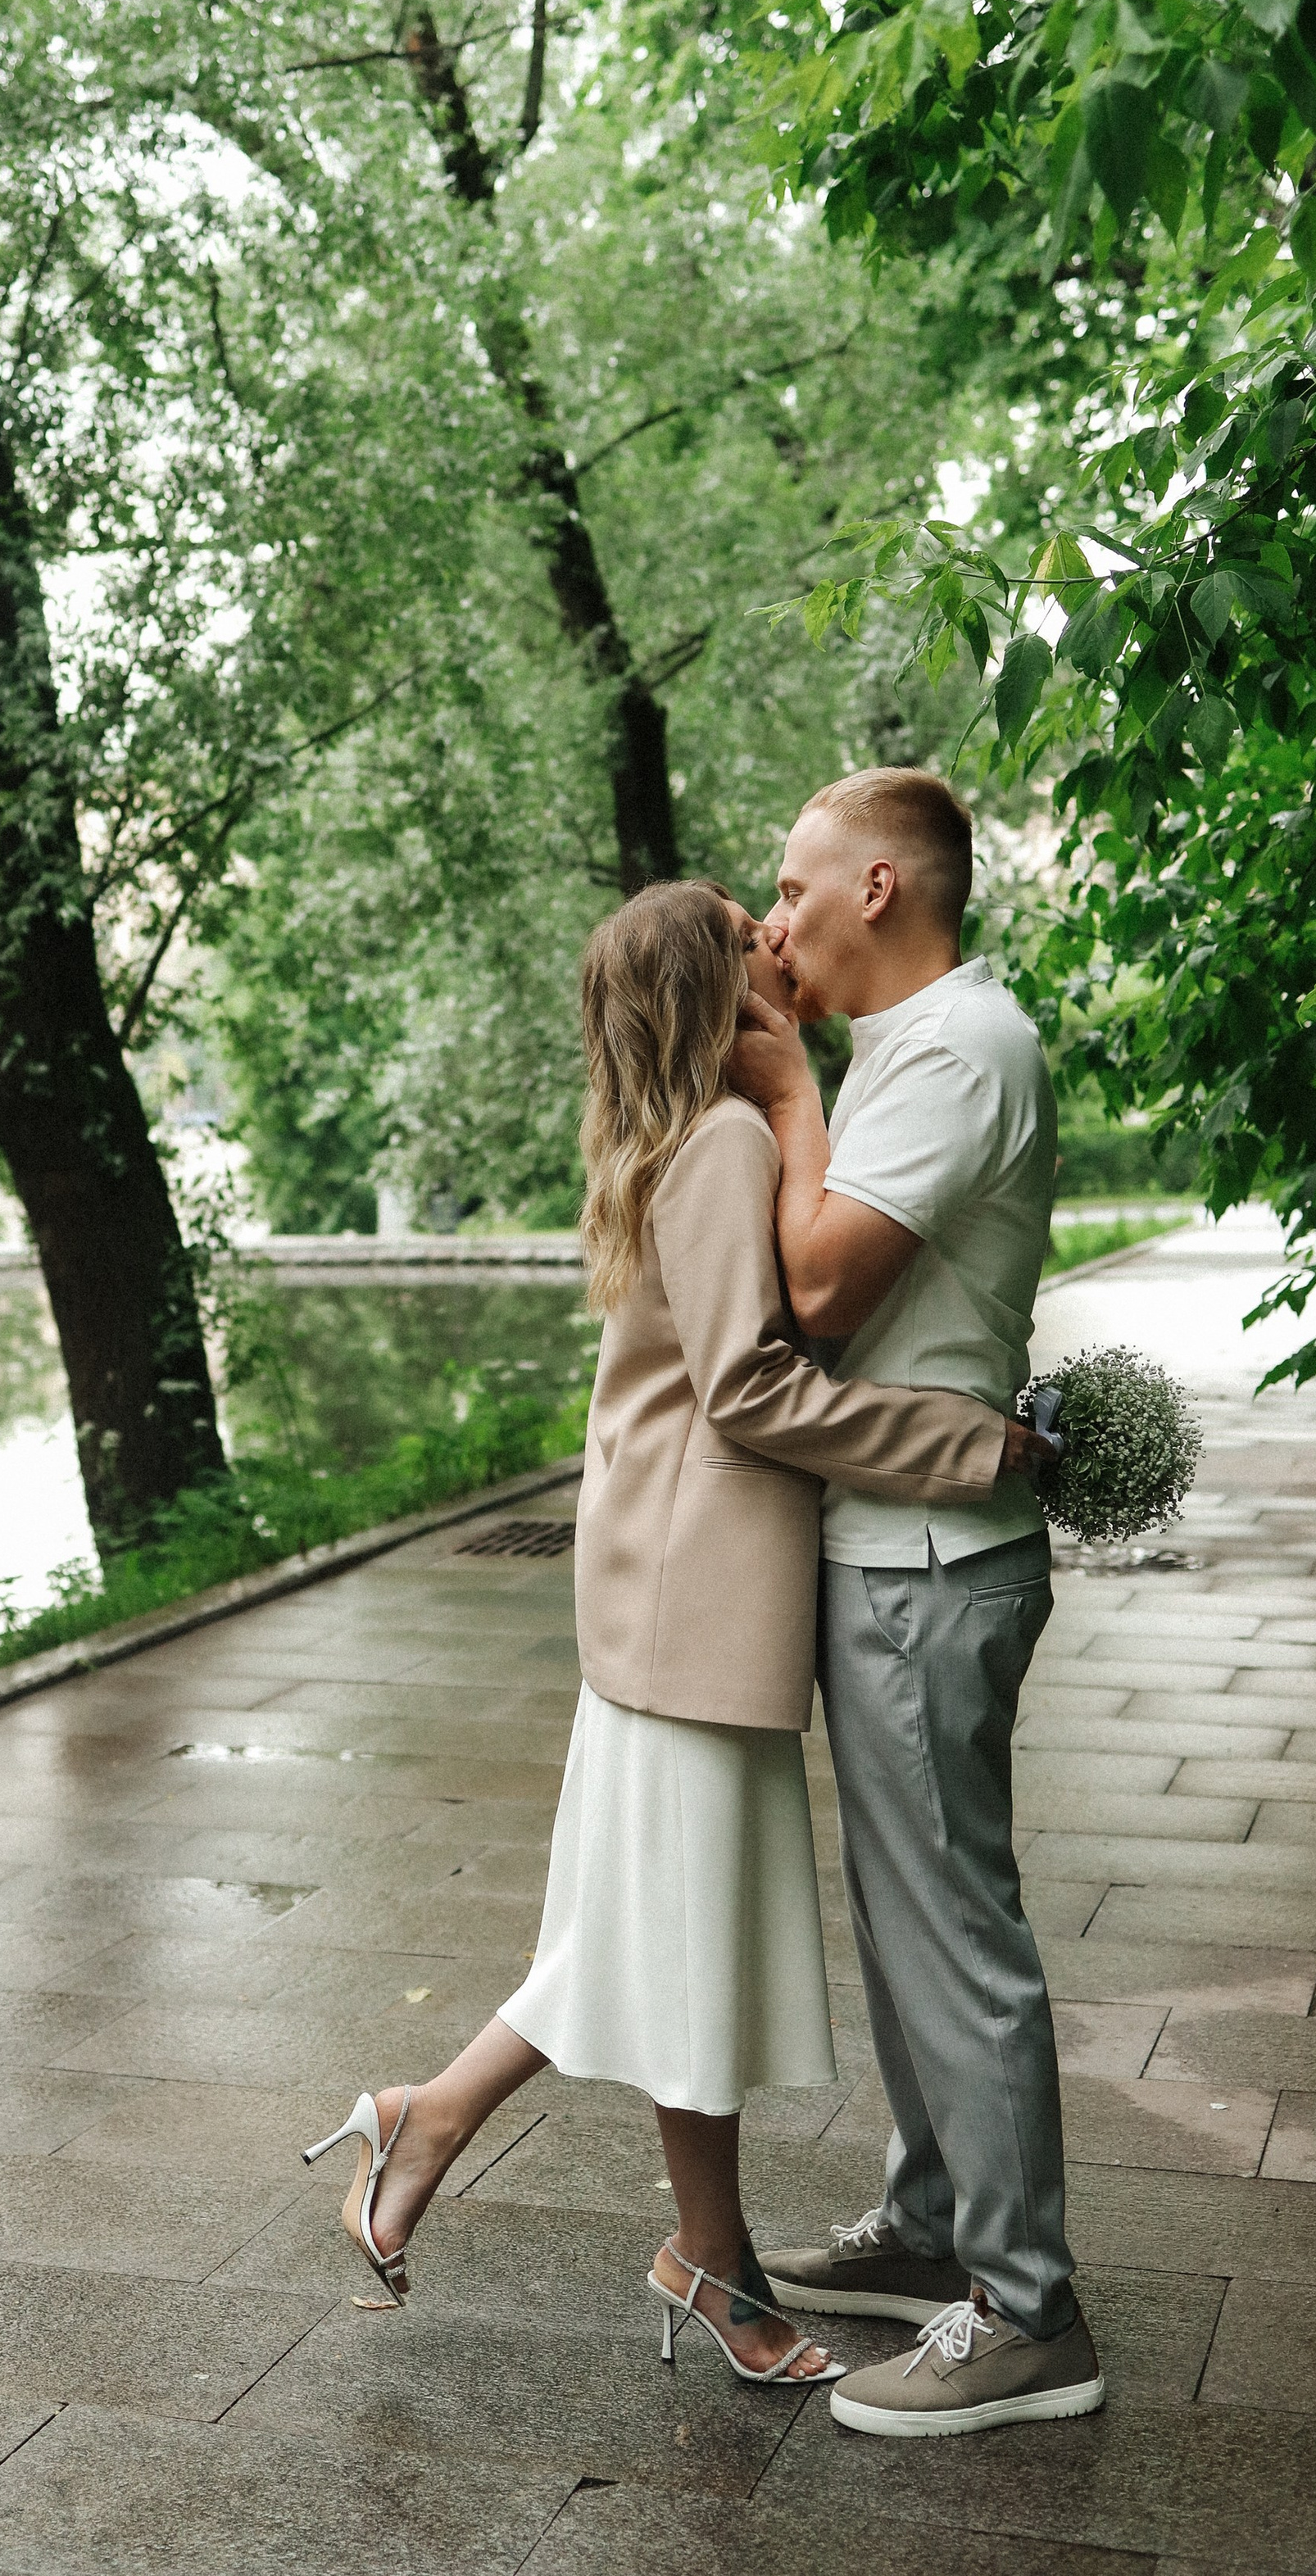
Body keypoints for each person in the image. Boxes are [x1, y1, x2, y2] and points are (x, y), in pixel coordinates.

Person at [303, 880, 1060, 2387]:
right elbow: (760, 1387)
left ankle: (502, 2158)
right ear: (711, 990)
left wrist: (794, 1103)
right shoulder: (719, 1143)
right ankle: (538, 2176)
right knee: (658, 1942)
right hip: (694, 1611)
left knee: (648, 1941)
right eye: (747, 926)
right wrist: (973, 1443)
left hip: (679, 1605)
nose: (776, 931)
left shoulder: (695, 1133)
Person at [731, 767, 1105, 2436]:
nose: (772, 909)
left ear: (877, 885)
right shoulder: (913, 1049)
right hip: (888, 1549)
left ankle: (1027, 2310)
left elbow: (811, 1287)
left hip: (927, 1567)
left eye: (794, 881)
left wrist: (783, 1082)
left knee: (951, 1932)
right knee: (903, 1929)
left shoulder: (955, 1046)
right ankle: (939, 2216)